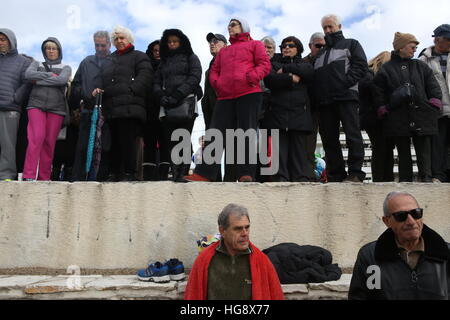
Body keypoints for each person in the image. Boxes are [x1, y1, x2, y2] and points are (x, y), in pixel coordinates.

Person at [185, 17, 271, 183]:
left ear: (243, 26)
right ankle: (203, 174)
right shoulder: (224, 51)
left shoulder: (255, 45)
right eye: (229, 25)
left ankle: (246, 173)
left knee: (246, 133)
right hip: (225, 96)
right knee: (215, 133)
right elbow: (214, 71)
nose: (229, 27)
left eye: (233, 25)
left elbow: (264, 64)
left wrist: (251, 77)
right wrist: (219, 85)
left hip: (249, 93)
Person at [349, 191, 450, 300]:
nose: (411, 221)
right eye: (401, 216)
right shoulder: (370, 257)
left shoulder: (446, 254)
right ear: (387, 221)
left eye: (416, 213)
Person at [373, 32, 442, 183]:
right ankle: (405, 181)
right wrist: (383, 108)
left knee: (424, 152)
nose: (415, 49)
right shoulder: (386, 69)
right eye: (412, 46)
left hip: (422, 116)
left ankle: (426, 179)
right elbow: (379, 93)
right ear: (401, 47)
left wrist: (434, 103)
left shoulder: (421, 66)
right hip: (397, 118)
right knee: (403, 154)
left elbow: (433, 87)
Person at [185, 203, 284, 300]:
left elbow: (276, 296)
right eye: (238, 229)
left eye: (247, 227)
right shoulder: (204, 260)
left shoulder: (261, 261)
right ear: (223, 231)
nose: (245, 233)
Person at [313, 14, 368, 183]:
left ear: (339, 26)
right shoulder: (320, 53)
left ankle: (355, 173)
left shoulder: (352, 43)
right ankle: (336, 175)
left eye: (331, 26)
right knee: (330, 140)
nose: (328, 30)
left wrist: (345, 83)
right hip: (326, 102)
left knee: (352, 135)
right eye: (325, 28)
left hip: (346, 97)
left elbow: (361, 66)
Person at [93, 26, 153, 182]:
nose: (119, 41)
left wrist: (131, 90)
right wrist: (98, 89)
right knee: (112, 142)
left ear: (129, 39)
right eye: (116, 38)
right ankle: (114, 172)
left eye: (122, 38)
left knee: (128, 141)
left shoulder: (139, 56)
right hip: (111, 107)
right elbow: (101, 79)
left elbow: (145, 77)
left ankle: (129, 173)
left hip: (131, 107)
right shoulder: (109, 60)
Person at [263, 36, 314, 182]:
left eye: (291, 45)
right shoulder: (273, 64)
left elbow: (309, 73)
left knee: (299, 151)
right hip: (277, 114)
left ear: (298, 49)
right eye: (284, 46)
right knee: (279, 151)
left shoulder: (305, 63)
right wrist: (291, 78)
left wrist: (285, 69)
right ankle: (281, 179)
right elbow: (270, 80)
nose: (286, 48)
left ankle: (301, 178)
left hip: (299, 114)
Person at [153, 29, 202, 182]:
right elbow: (156, 82)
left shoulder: (191, 57)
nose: (172, 44)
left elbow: (195, 77)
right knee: (171, 140)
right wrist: (161, 96)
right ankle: (174, 172)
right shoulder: (164, 62)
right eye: (169, 42)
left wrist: (177, 95)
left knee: (184, 137)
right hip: (167, 105)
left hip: (186, 103)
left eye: (175, 41)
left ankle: (183, 172)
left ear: (182, 42)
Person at [22, 37, 72, 181]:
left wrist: (38, 80)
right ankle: (29, 175)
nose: (50, 51)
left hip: (56, 109)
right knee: (35, 138)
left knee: (49, 143)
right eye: (48, 48)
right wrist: (50, 75)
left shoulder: (66, 67)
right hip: (35, 105)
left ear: (59, 50)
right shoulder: (36, 63)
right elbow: (28, 75)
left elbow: (62, 80)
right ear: (44, 51)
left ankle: (44, 177)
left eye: (53, 48)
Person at [69, 30, 111, 181]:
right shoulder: (86, 62)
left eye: (102, 45)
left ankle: (101, 179)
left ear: (109, 44)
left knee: (105, 147)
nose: (99, 48)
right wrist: (88, 94)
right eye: (96, 45)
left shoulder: (115, 61)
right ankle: (78, 179)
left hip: (108, 112)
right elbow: (75, 86)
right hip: (87, 111)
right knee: (82, 147)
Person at [419, 24, 450, 183]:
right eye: (449, 39)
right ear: (438, 40)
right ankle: (438, 175)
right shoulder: (424, 60)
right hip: (436, 110)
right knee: (437, 145)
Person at [0, 28, 32, 181]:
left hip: (10, 107)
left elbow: (26, 83)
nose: (0, 42)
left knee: (8, 143)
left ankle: (6, 174)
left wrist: (15, 98)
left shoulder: (23, 61)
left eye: (3, 39)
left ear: (11, 41)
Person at [359, 51, 395, 182]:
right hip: (374, 119)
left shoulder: (368, 74)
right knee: (380, 147)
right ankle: (380, 179)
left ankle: (387, 179)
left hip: (382, 118)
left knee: (387, 149)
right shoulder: (369, 74)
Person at [143, 40, 171, 181]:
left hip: (166, 109)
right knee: (149, 143)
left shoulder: (171, 66)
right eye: (155, 50)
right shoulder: (146, 68)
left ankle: (164, 173)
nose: (158, 52)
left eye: (161, 50)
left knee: (165, 141)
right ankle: (148, 174)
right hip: (149, 110)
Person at [303, 32, 326, 180]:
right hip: (308, 109)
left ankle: (330, 175)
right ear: (310, 46)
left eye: (325, 46)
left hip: (327, 107)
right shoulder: (303, 62)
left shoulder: (329, 62)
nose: (322, 48)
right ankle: (308, 176)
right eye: (318, 45)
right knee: (308, 146)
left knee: (331, 142)